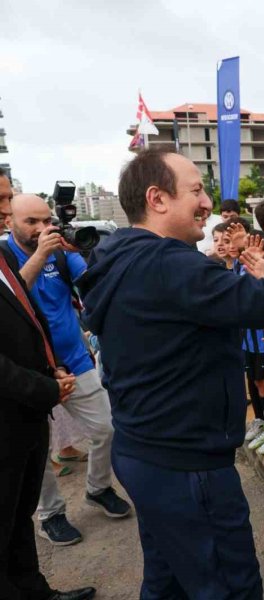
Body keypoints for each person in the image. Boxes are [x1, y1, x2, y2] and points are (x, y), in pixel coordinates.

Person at [77, 149, 264, 599]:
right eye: (196, 190)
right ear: (157, 198)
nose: (208, 203)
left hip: (148, 451)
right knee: (227, 586)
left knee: (169, 580)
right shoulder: (166, 264)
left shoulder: (122, 255)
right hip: (185, 465)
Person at [5, 194, 131, 548]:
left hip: (74, 360)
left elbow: (92, 284)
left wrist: (86, 253)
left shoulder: (59, 251)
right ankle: (51, 514)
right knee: (36, 448)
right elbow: (11, 297)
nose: (42, 229)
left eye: (46, 221)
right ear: (11, 222)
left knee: (107, 427)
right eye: (32, 222)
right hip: (28, 369)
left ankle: (98, 487)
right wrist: (41, 254)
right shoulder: (6, 256)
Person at [0, 186, 95, 600]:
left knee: (18, 519)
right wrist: (42, 387)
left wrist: (50, 361)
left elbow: (25, 314)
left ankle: (37, 592)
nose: (6, 207)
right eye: (3, 199)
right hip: (11, 409)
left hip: (31, 405)